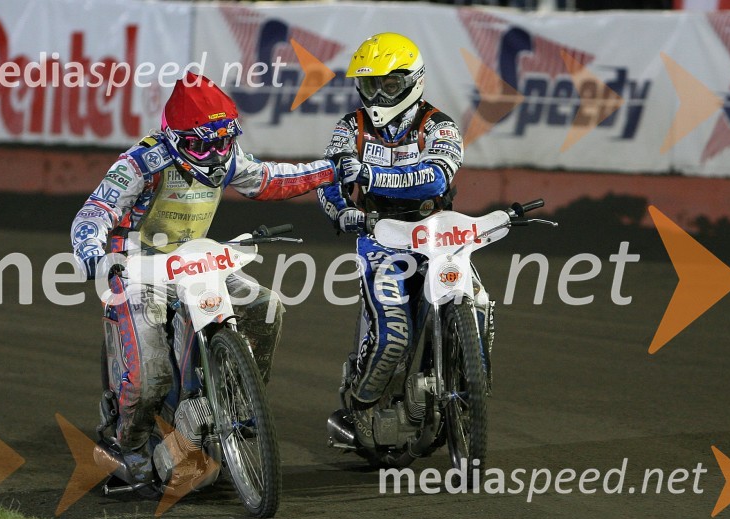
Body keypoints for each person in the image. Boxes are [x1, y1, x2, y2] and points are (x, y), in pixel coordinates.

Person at [71, 72, 336, 484]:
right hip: (139, 269)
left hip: (196, 260)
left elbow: (267, 180)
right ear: (173, 137)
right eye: (201, 145)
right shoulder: (140, 162)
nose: (214, 155)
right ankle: (127, 445)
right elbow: (95, 211)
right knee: (150, 374)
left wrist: (330, 171)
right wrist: (91, 250)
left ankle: (238, 407)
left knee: (265, 305)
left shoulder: (227, 156)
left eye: (222, 141)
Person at [317, 33, 481, 448]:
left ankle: (468, 385)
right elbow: (329, 178)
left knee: (477, 304)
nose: (378, 95)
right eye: (370, 84)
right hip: (381, 237)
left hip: (436, 234)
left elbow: (437, 177)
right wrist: (341, 210)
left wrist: (370, 176)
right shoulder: (350, 127)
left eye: (388, 84)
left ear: (412, 81)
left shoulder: (439, 125)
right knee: (393, 336)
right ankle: (361, 406)